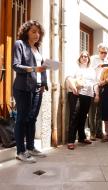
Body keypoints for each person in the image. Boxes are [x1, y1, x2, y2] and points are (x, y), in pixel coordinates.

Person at [12, 20, 48, 163]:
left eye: (38, 32)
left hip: (37, 88)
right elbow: (16, 66)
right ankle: (20, 151)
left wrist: (44, 84)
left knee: (32, 119)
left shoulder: (37, 49)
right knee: (22, 119)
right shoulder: (19, 44)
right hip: (23, 88)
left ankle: (31, 147)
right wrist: (33, 69)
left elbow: (41, 68)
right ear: (26, 32)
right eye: (33, 31)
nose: (37, 34)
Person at [66, 51, 98, 150]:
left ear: (88, 59)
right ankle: (71, 140)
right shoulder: (75, 67)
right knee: (74, 116)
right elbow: (68, 78)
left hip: (88, 95)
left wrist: (96, 94)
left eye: (86, 56)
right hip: (76, 94)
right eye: (82, 56)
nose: (84, 58)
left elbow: (95, 83)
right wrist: (74, 88)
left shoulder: (92, 70)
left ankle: (82, 137)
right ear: (79, 58)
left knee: (83, 116)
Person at [88, 43, 108, 141]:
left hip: (103, 86)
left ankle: (99, 132)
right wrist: (98, 66)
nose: (104, 54)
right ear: (98, 51)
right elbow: (88, 69)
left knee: (100, 111)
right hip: (93, 86)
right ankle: (92, 133)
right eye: (102, 52)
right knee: (92, 111)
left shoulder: (107, 60)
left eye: (105, 53)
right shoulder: (92, 59)